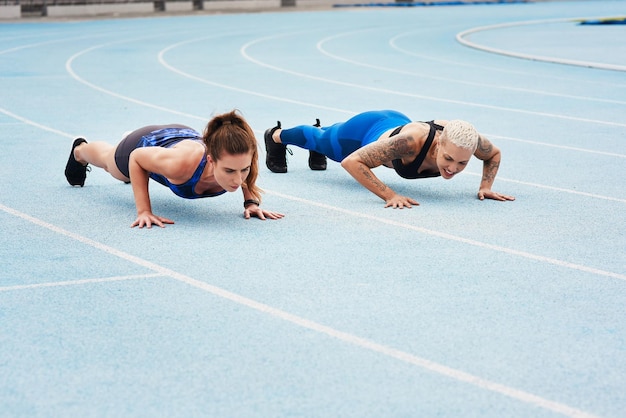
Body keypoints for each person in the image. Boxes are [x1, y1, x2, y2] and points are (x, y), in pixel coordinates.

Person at [65, 110, 284, 228]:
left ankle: (147, 164)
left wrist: (251, 202)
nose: (238, 179)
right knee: (113, 167)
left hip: (181, 139)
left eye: (243, 170)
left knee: (240, 166)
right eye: (229, 172)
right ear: (211, 160)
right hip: (144, 143)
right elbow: (137, 157)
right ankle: (80, 150)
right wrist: (144, 211)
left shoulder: (238, 160)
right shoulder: (182, 165)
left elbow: (242, 167)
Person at [264, 109, 514, 208]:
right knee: (320, 138)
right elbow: (353, 162)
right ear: (438, 144)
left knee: (326, 137)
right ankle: (275, 136)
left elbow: (493, 154)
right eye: (448, 158)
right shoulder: (409, 144)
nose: (453, 168)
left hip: (394, 121)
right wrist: (390, 195)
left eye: (462, 163)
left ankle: (320, 142)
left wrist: (486, 186)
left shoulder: (467, 141)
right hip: (363, 132)